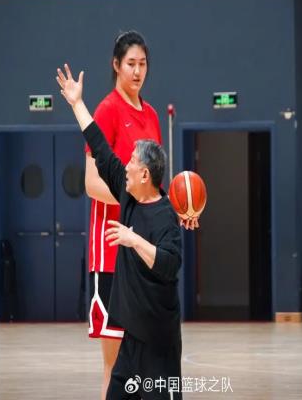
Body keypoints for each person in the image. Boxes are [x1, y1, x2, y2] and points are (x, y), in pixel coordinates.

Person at [56, 63, 183, 399]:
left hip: (159, 342)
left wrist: (133, 239)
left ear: (146, 175)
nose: (125, 165)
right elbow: (99, 146)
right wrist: (76, 103)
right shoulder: (127, 198)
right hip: (131, 342)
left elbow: (170, 264)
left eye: (132, 163)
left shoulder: (166, 215)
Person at [83, 31, 197, 399]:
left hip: (144, 248)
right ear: (116, 66)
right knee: (116, 363)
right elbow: (92, 183)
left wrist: (176, 208)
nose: (137, 71)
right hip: (112, 249)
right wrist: (129, 198)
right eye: (130, 63)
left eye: (142, 64)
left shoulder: (151, 114)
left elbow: (153, 187)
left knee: (148, 365)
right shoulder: (106, 110)